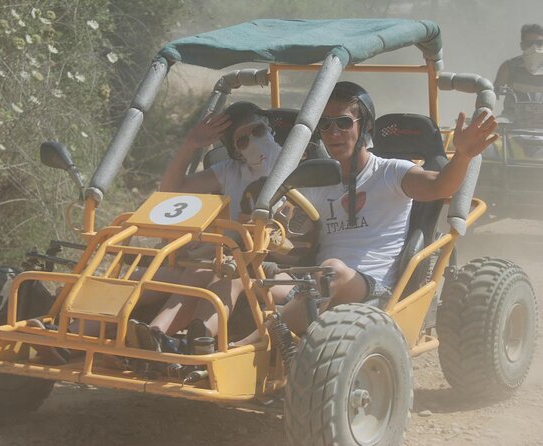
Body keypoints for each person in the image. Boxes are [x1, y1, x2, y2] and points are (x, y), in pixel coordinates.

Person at [234, 81, 498, 345]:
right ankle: (199, 342)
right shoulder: (317, 178)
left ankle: (252, 346)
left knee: (331, 270)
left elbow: (440, 186)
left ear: (365, 126)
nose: (333, 132)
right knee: (237, 271)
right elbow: (291, 236)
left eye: (343, 123)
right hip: (314, 285)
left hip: (372, 291)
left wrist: (462, 156)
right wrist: (265, 230)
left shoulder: (391, 172)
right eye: (325, 124)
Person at [129, 101, 296, 352]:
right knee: (138, 276)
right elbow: (170, 193)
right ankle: (75, 331)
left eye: (258, 132)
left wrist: (269, 224)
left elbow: (307, 225)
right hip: (224, 259)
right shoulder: (232, 171)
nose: (253, 142)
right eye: (242, 140)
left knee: (201, 273)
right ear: (236, 152)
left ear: (270, 129)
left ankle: (156, 335)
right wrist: (190, 146)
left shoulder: (297, 160)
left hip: (269, 264)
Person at [494, 23, 543, 114]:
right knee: (496, 125)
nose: (534, 47)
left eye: (539, 43)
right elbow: (493, 93)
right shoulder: (509, 66)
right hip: (513, 118)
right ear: (522, 45)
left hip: (541, 121)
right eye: (529, 43)